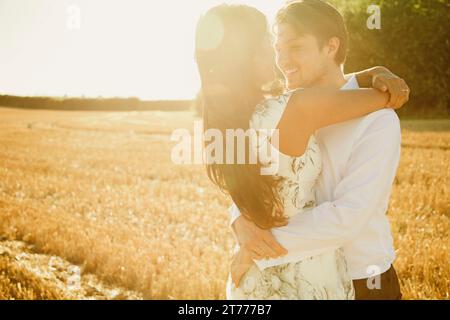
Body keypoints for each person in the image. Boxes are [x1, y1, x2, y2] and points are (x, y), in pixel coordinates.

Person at [194, 1, 408, 300]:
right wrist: (240, 221)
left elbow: (348, 216)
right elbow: (253, 180)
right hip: (298, 282)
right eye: (277, 48)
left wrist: (257, 250)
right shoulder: (286, 108)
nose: (282, 60)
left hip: (361, 280)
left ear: (331, 46)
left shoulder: (377, 121)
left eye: (294, 47)